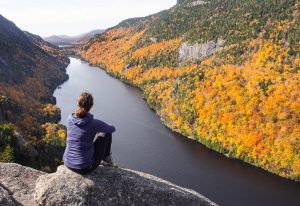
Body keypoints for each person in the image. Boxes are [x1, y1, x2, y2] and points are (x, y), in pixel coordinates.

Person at [63, 92, 117, 175]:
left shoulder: (70, 118)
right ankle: (107, 159)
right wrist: (100, 128)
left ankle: (106, 159)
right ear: (91, 105)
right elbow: (112, 129)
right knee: (107, 133)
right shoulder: (94, 123)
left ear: (78, 103)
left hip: (68, 162)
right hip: (84, 167)